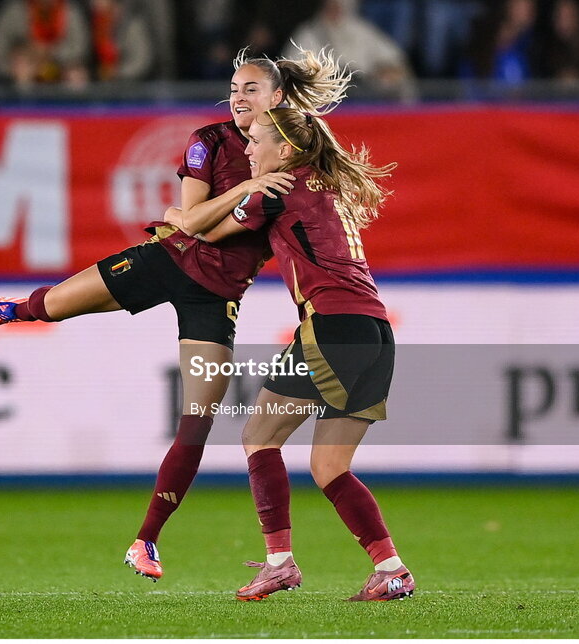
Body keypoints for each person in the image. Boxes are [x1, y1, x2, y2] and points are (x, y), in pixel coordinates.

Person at [0, 48, 351, 582]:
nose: (239, 97)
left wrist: (190, 215)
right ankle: (16, 308)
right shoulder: (211, 141)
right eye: (235, 88)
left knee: (198, 420)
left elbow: (202, 219)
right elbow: (190, 220)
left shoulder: (288, 159)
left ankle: (145, 540)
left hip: (216, 298)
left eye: (251, 89)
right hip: (164, 259)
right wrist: (227, 196)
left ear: (278, 98)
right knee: (54, 307)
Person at [169, 106, 414, 601]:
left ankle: (279, 563)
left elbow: (201, 229)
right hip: (374, 330)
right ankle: (391, 569)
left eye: (257, 141)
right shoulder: (325, 184)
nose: (248, 150)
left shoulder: (274, 189)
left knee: (260, 436)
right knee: (329, 468)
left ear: (285, 150)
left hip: (331, 325)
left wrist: (177, 214)